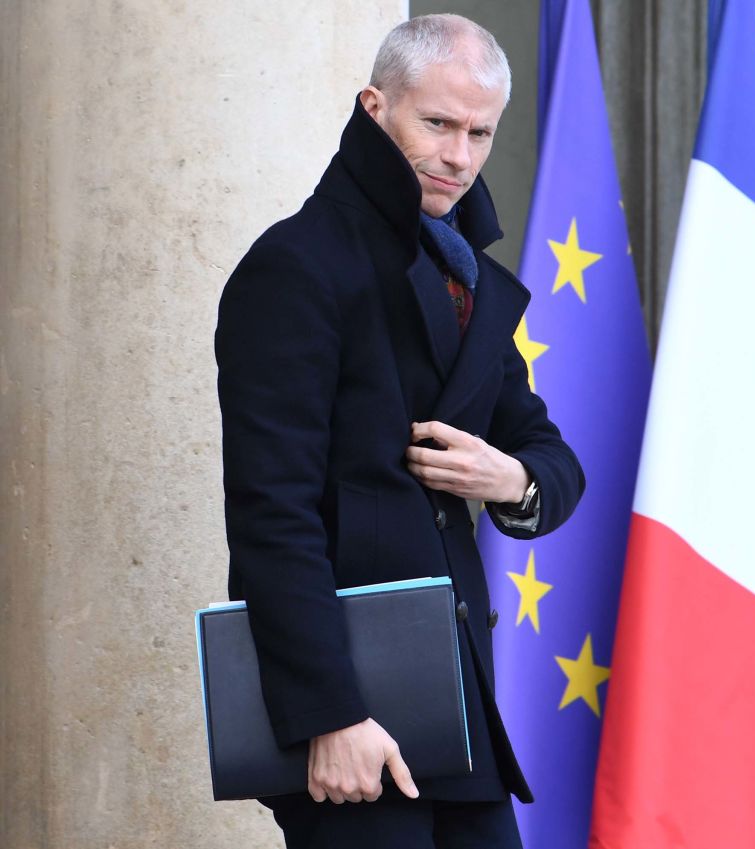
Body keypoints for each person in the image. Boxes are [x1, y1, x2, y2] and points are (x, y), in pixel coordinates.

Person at [214, 14, 584, 848]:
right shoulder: (295, 265)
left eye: (480, 132)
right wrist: (331, 713)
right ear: (375, 106)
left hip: (458, 709)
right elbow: (273, 514)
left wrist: (510, 481)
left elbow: (552, 459)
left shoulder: (476, 282)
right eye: (438, 123)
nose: (459, 155)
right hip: (349, 716)